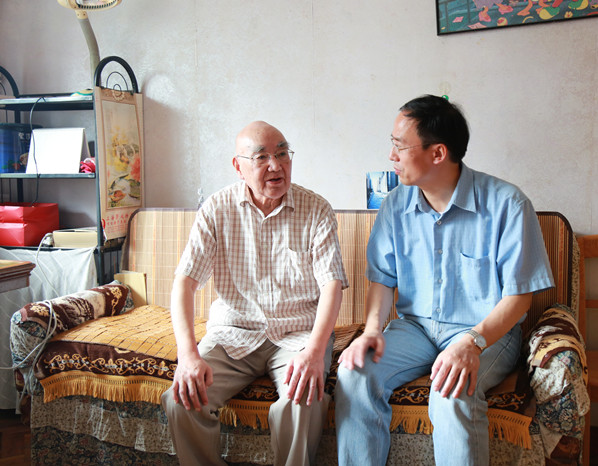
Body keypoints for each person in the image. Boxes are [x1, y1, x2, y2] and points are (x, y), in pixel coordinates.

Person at [334, 95, 554, 465]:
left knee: (452, 391)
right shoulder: (394, 205)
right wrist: (372, 330)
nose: (391, 156)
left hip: (485, 333)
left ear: (438, 153)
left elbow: (520, 297)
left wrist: (472, 342)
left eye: (400, 146)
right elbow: (383, 280)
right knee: (354, 374)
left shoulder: (508, 205)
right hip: (415, 330)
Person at [161, 120, 348, 466]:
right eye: (262, 157)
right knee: (180, 398)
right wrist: (187, 355)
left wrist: (315, 352)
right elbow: (184, 283)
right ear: (239, 166)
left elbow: (331, 285)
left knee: (303, 399)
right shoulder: (216, 209)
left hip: (297, 335)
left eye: (283, 154)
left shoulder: (316, 209)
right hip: (234, 333)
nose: (276, 166)